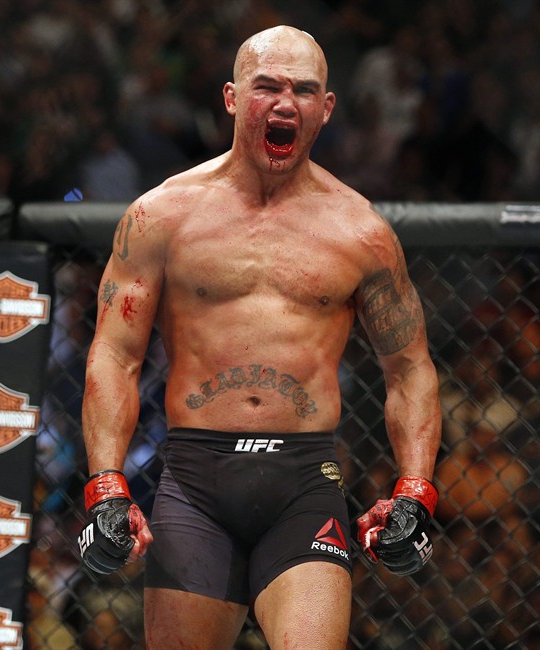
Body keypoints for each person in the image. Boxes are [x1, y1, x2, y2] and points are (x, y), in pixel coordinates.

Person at [77, 25, 441, 650]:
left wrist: (415, 489)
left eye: (303, 90)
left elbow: (409, 368)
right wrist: (106, 485)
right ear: (231, 97)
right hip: (195, 482)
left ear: (325, 108)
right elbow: (115, 352)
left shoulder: (361, 232)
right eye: (266, 86)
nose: (284, 102)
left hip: (304, 481)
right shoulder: (161, 215)